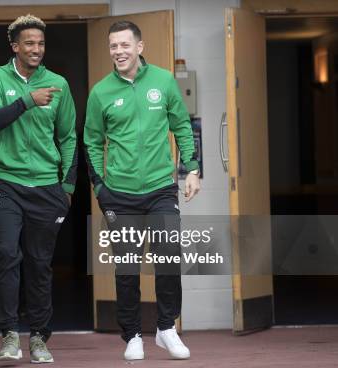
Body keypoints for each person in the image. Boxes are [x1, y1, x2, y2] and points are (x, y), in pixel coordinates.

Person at [84, 21, 201, 361]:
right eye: (113, 46)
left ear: (139, 47)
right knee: (127, 268)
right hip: (119, 194)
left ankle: (167, 328)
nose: (118, 51)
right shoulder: (100, 92)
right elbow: (91, 140)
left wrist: (191, 169)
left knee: (168, 257)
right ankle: (132, 334)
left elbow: (181, 124)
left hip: (161, 188)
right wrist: (100, 187)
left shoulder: (163, 81)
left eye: (124, 45)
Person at [0, 14, 77, 364]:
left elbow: (68, 137)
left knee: (39, 264)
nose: (36, 49)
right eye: (29, 43)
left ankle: (38, 337)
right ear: (15, 47)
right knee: (7, 254)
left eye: (41, 43)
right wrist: (26, 100)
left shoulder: (59, 84)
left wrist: (67, 184)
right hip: (5, 183)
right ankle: (9, 335)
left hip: (47, 189)